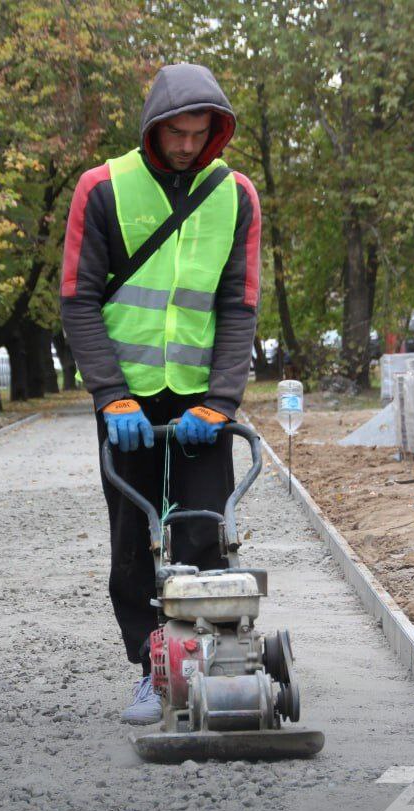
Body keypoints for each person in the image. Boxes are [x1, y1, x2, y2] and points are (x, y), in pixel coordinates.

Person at [59, 63, 261, 724]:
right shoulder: (102, 189)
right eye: (175, 132)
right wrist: (111, 394)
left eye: (199, 133)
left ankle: (213, 657)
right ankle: (152, 667)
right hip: (127, 400)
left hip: (199, 397)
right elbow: (78, 300)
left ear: (215, 130)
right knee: (134, 538)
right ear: (153, 125)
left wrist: (222, 401)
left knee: (203, 529)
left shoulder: (236, 196)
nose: (185, 145)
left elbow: (239, 307)